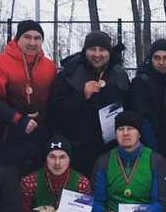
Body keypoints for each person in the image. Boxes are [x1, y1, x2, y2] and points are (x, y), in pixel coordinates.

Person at [50, 30, 130, 177]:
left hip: (110, 146)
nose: (97, 54)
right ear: (85, 51)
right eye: (93, 49)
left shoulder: (119, 74)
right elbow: (55, 110)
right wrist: (82, 96)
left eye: (102, 50)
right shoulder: (69, 73)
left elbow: (129, 107)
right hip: (78, 147)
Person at [0, 20, 57, 176]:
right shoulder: (1, 62)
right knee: (10, 185)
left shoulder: (49, 66)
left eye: (37, 38)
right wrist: (18, 118)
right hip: (9, 135)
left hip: (41, 136)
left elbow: (54, 99)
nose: (32, 42)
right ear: (17, 39)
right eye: (27, 37)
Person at [127, 39, 166, 165]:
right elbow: (140, 116)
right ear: (151, 58)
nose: (162, 62)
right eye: (157, 58)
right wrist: (152, 147)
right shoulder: (140, 82)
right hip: (149, 144)